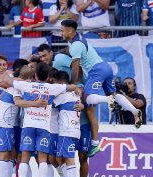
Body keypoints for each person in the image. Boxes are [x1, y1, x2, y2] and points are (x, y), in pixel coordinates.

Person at [60, 19, 142, 157]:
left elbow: (75, 67)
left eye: (62, 30)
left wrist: (72, 85)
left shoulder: (76, 45)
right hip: (106, 67)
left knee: (86, 99)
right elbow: (70, 50)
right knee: (114, 93)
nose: (60, 33)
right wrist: (62, 51)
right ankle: (134, 111)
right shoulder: (77, 41)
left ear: (70, 31)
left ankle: (107, 100)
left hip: (96, 70)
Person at [0, 62, 77, 177]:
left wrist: (17, 79)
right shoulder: (53, 88)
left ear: (35, 75)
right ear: (48, 77)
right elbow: (72, 86)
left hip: (28, 125)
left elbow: (5, 80)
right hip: (44, 127)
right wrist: (77, 89)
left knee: (25, 156)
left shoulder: (26, 85)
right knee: (42, 158)